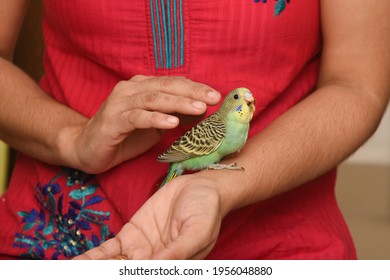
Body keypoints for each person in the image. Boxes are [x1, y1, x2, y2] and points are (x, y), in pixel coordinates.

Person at [0, 0, 389, 260]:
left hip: (280, 238)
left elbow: (357, 84)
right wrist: (70, 137)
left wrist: (224, 185)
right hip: (60, 232)